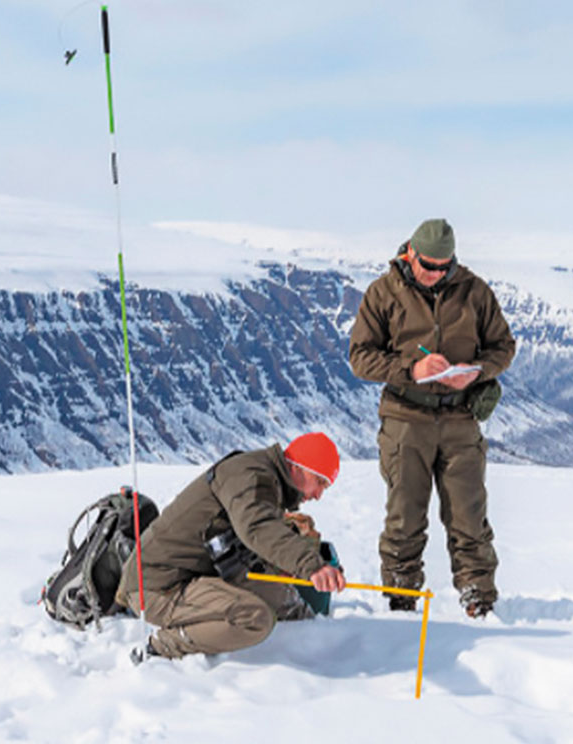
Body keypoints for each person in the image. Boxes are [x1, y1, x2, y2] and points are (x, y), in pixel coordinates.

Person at [348, 218, 516, 618]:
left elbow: (503, 346)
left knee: (468, 515)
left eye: (445, 266)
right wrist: (414, 370)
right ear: (410, 254)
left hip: (460, 419)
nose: (438, 273)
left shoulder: (474, 291)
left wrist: (476, 370)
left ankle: (478, 596)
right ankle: (401, 597)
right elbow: (360, 358)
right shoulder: (383, 292)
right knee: (404, 516)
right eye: (430, 265)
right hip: (406, 417)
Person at [117, 432, 347, 662]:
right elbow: (257, 527)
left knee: (287, 606)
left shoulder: (266, 481)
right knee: (254, 619)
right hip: (156, 585)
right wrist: (311, 566)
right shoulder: (249, 475)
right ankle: (159, 648)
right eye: (319, 482)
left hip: (188, 576)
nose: (318, 495)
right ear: (298, 466)